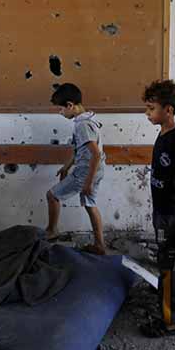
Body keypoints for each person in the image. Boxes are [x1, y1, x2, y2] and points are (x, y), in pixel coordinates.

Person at [140, 79, 175, 337]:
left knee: (171, 266)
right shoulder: (162, 134)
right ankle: (165, 297)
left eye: (151, 108)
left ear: (168, 110)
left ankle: (170, 321)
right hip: (161, 212)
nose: (147, 113)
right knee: (166, 259)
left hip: (171, 214)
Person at [45, 83, 107, 255]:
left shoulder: (82, 125)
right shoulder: (89, 118)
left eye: (61, 109)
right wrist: (66, 167)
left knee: (52, 196)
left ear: (70, 105)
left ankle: (52, 231)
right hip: (96, 169)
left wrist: (88, 182)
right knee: (90, 204)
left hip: (86, 172)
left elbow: (95, 154)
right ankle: (100, 245)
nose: (60, 113)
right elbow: (80, 149)